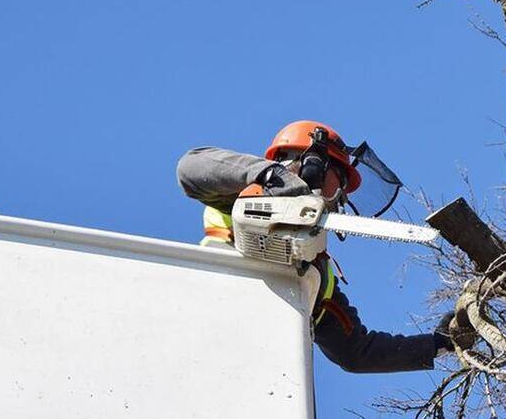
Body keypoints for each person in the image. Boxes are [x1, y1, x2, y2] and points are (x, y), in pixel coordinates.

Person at [177, 120, 468, 373]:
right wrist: (267, 174)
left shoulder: (318, 273)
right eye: (336, 182)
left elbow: (357, 353)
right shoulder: (240, 194)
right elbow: (190, 168)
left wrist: (440, 344)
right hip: (209, 310)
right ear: (311, 165)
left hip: (258, 358)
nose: (338, 196)